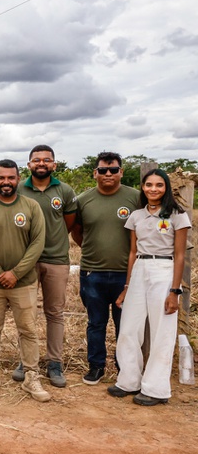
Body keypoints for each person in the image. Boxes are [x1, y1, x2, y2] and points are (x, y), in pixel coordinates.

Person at [108, 169, 190, 406]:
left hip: (164, 270)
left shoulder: (177, 215)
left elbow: (180, 255)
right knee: (128, 328)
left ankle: (156, 389)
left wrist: (175, 291)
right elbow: (133, 252)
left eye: (159, 185)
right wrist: (127, 286)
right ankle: (129, 380)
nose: (153, 189)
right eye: (149, 185)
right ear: (142, 187)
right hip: (140, 270)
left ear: (166, 188)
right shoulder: (136, 216)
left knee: (161, 331)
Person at [0, 159, 51, 402]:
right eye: (1, 178)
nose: (6, 182)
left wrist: (16, 273)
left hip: (24, 282)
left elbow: (37, 243)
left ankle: (31, 377)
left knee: (27, 330)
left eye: (11, 177)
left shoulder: (31, 206)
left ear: (18, 179)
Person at [71, 152, 140, 385]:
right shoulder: (83, 200)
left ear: (121, 172)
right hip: (92, 272)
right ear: (95, 173)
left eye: (113, 170)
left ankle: (125, 369)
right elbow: (77, 231)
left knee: (126, 325)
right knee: (96, 323)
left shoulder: (136, 197)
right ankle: (96, 366)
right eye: (103, 170)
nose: (108, 174)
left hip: (127, 274)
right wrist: (93, 250)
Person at [15, 145, 77, 388]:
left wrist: (53, 244)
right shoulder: (19, 189)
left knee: (55, 312)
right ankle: (26, 360)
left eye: (46, 160)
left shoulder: (64, 190)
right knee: (25, 313)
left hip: (56, 260)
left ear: (54, 164)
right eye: (36, 160)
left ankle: (54, 362)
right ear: (29, 165)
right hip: (25, 262)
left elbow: (68, 223)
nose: (41, 164)